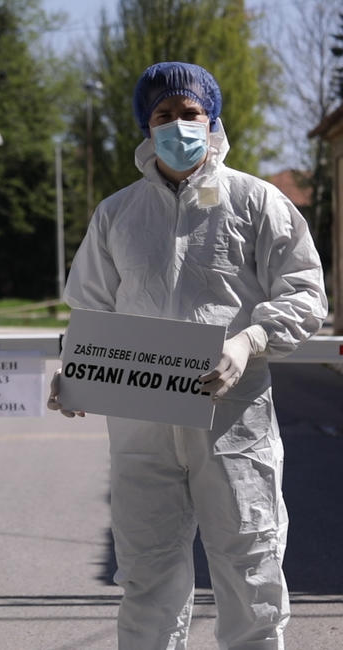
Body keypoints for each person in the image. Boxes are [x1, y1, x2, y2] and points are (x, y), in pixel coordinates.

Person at [47, 62, 327, 649]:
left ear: (212, 118)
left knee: (249, 567)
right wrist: (75, 372)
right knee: (147, 576)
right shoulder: (118, 214)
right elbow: (90, 309)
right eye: (164, 114)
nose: (178, 125)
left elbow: (304, 291)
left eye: (190, 113)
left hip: (233, 419)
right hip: (140, 421)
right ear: (146, 128)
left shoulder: (257, 202)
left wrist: (249, 339)